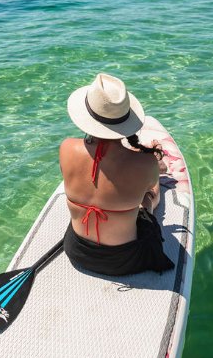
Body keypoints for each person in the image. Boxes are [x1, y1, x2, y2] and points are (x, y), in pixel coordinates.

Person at [60, 73, 174, 276]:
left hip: (77, 250)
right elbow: (140, 183)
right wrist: (152, 162)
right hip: (125, 260)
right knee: (148, 196)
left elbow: (100, 168)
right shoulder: (145, 163)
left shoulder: (67, 148)